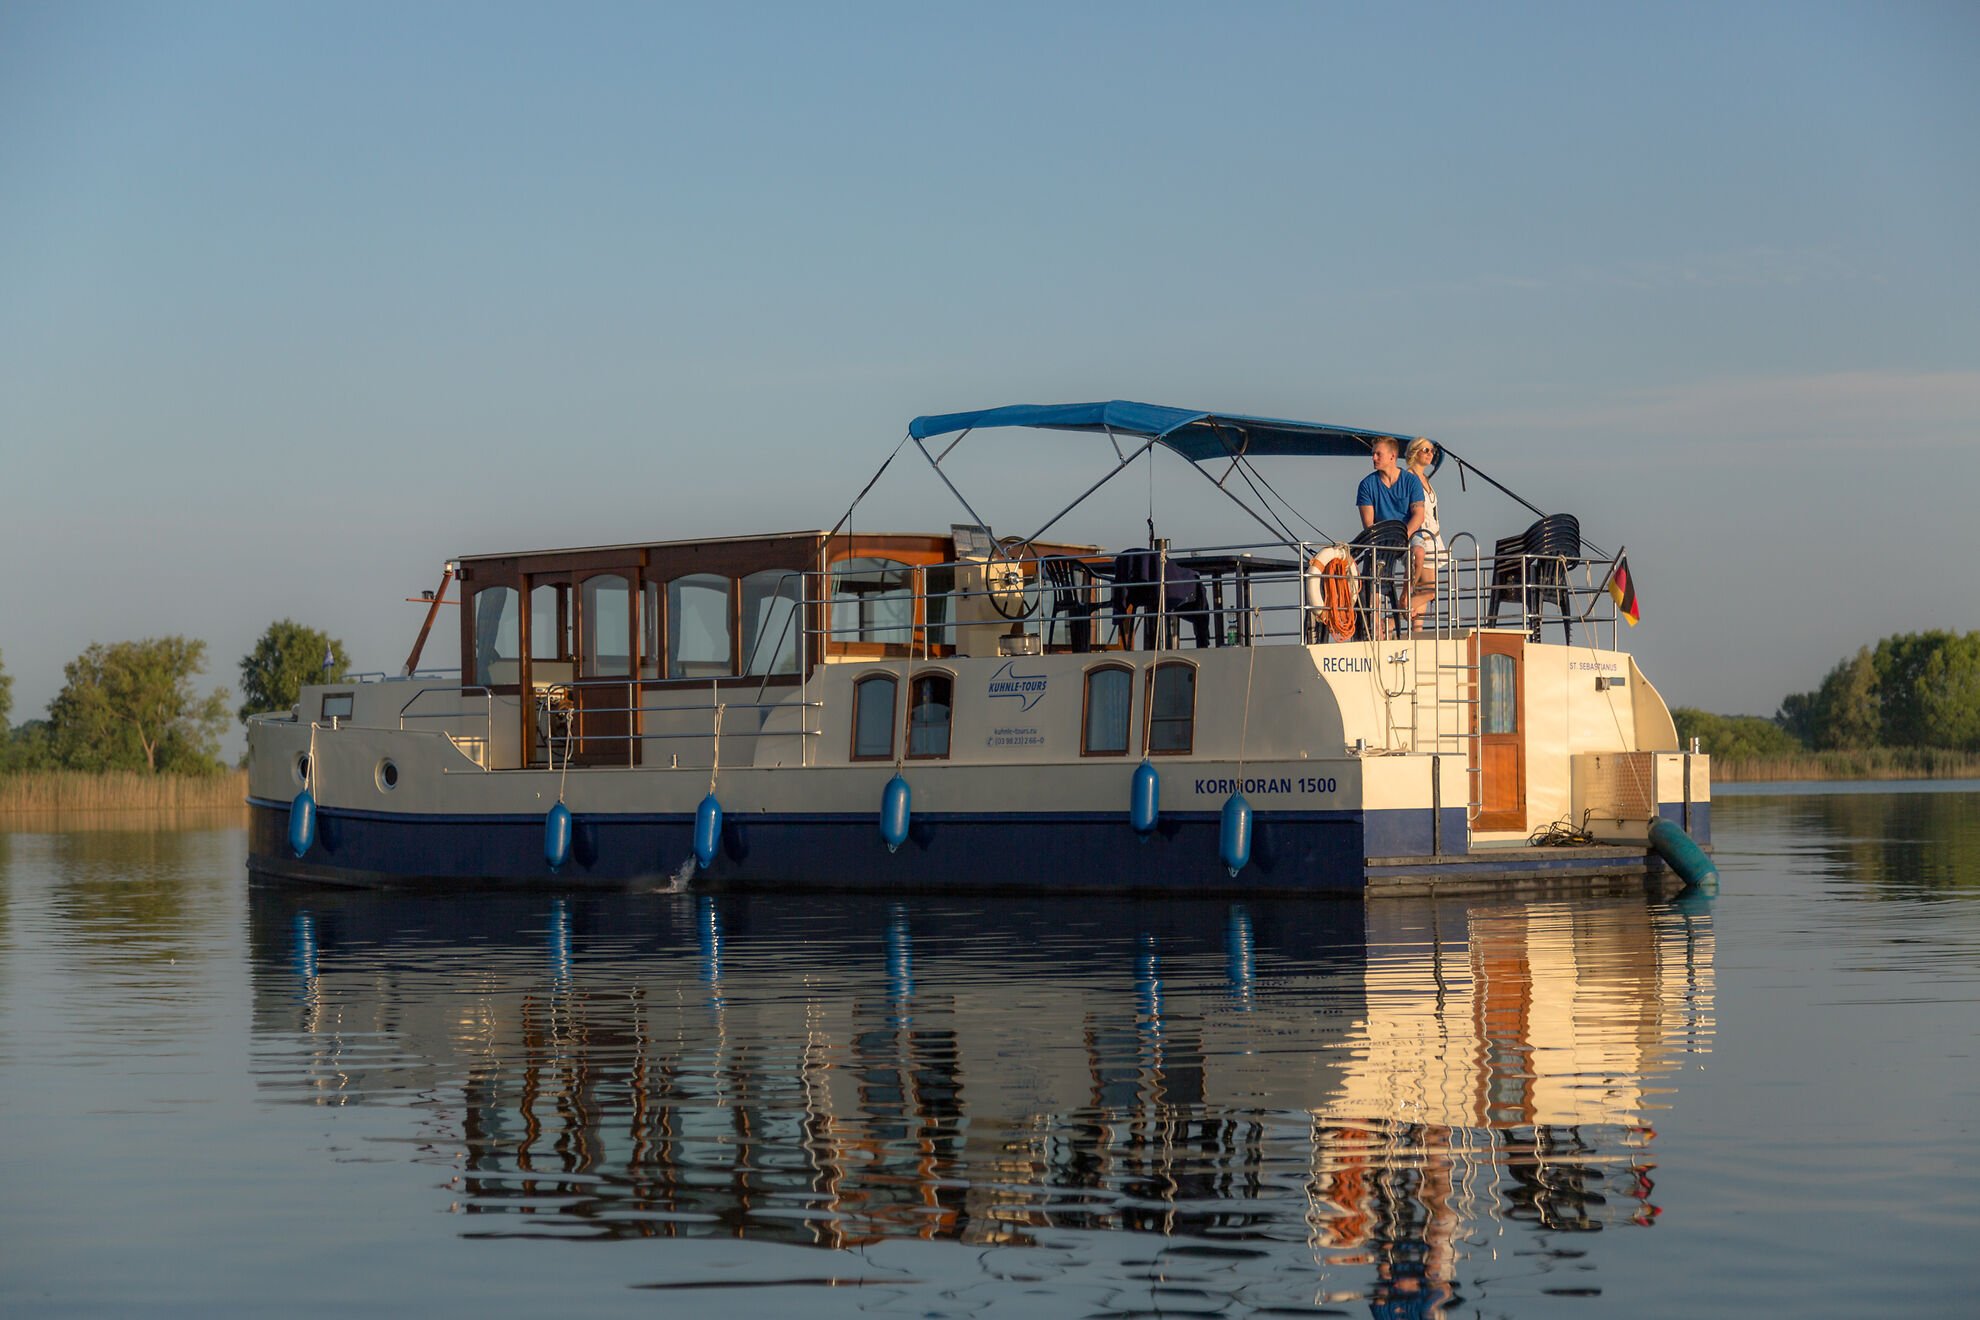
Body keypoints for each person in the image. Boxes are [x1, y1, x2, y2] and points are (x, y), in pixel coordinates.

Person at [1355, 437, 1425, 636]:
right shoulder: (1367, 485)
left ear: (1393, 456)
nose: (1374, 458)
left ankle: (1406, 595)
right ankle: (1376, 626)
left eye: (1378, 454)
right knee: (1374, 579)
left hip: (1407, 535)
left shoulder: (1410, 481)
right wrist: (1386, 539)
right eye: (1373, 454)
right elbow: (1369, 525)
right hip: (1381, 538)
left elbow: (1418, 515)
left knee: (1418, 552)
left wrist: (1403, 535)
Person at [1404, 437, 1446, 631]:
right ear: (1415, 452)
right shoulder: (1409, 478)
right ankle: (1399, 611)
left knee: (1425, 589)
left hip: (1434, 537)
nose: (1430, 454)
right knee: (1430, 591)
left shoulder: (1424, 478)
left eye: (1431, 452)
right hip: (1422, 537)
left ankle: (1417, 629)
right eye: (1426, 450)